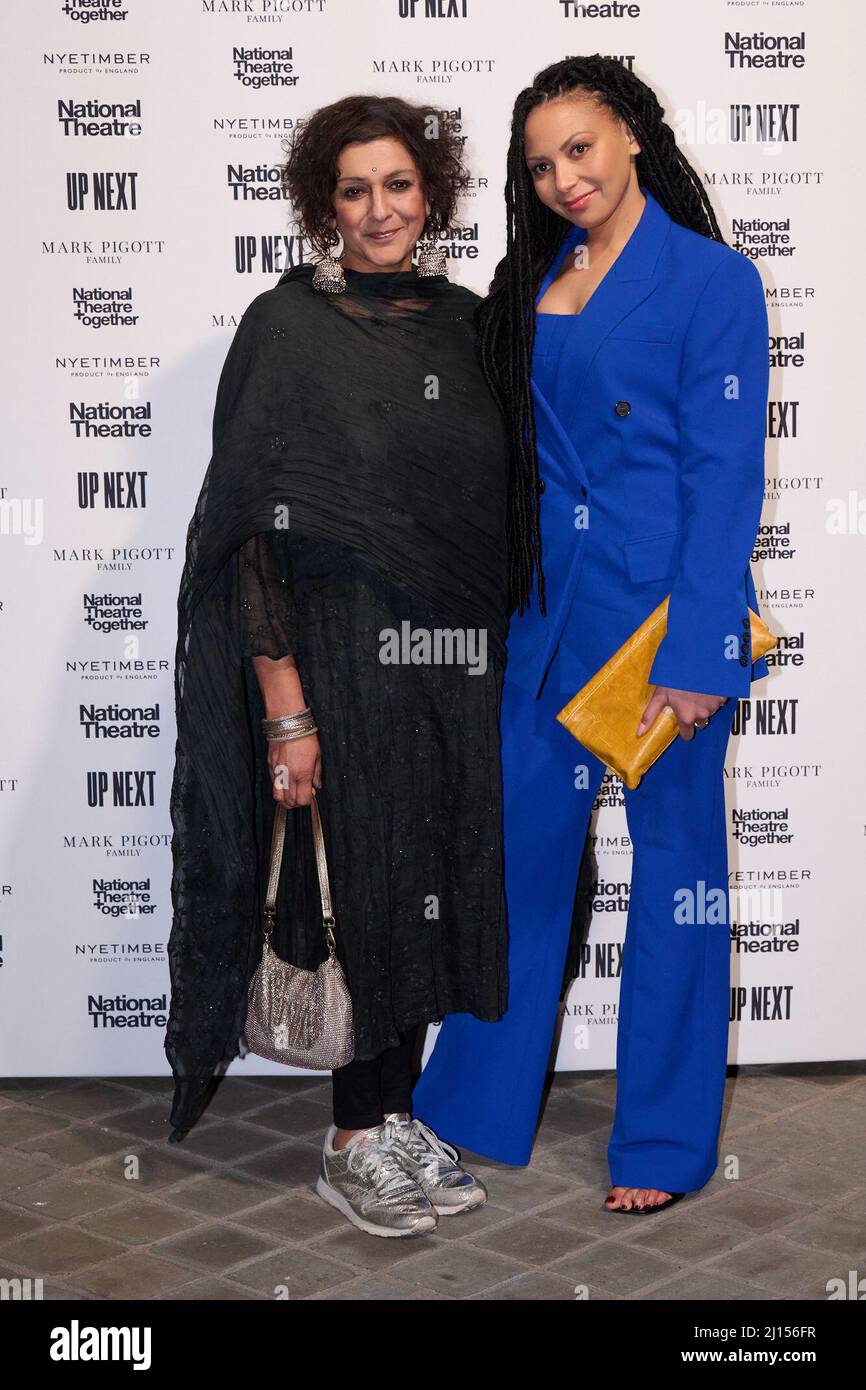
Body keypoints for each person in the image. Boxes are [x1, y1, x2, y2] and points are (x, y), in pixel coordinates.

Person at [412, 55, 771, 1214]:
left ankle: (661, 1147)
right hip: (547, 618)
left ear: (628, 134)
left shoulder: (711, 280)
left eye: (578, 147)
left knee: (676, 884)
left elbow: (726, 477)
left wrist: (701, 652)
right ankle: (466, 1106)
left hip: (661, 630)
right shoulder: (533, 279)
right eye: (539, 163)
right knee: (512, 869)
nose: (562, 176)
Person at [164, 95, 513, 1237]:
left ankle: (399, 1111)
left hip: (450, 670)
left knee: (425, 886)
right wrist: (283, 708)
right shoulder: (286, 328)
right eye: (354, 190)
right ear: (324, 205)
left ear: (432, 194)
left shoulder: (463, 327)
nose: (379, 210)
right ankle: (349, 1138)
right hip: (336, 658)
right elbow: (250, 535)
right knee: (361, 889)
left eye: (399, 186)